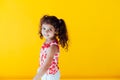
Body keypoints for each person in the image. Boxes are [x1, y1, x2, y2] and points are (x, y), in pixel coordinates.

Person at [33, 15, 69, 80]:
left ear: (55, 31)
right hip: (45, 73)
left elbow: (46, 66)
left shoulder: (52, 47)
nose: (46, 31)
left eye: (50, 29)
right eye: (44, 28)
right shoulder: (47, 41)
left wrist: (35, 78)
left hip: (51, 76)